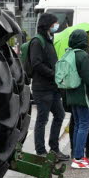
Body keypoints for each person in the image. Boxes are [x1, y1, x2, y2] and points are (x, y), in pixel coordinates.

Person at [29, 13, 68, 160]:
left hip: (53, 87)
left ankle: (54, 149)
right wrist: (53, 74)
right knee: (42, 119)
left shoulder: (49, 40)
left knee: (60, 115)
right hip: (42, 88)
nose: (56, 26)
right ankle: (41, 151)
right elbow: (36, 64)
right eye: (54, 24)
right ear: (47, 24)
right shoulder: (37, 42)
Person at [64, 29, 89, 169]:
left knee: (78, 125)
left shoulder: (69, 53)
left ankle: (77, 155)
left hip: (71, 94)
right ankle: (78, 158)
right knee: (84, 125)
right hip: (83, 95)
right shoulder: (83, 56)